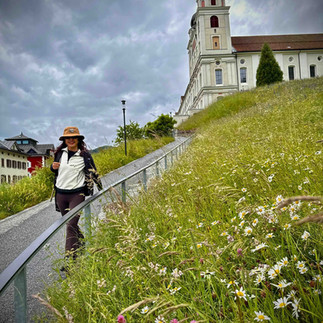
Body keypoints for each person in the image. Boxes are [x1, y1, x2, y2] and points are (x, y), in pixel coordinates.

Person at [51, 126, 102, 265]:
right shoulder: (60, 153)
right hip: (61, 195)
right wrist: (52, 167)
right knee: (71, 225)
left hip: (77, 194)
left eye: (74, 137)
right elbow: (56, 170)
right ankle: (82, 243)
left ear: (79, 139)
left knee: (70, 225)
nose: (71, 140)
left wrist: (102, 188)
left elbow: (93, 172)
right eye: (68, 138)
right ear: (64, 140)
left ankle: (70, 261)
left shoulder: (84, 154)